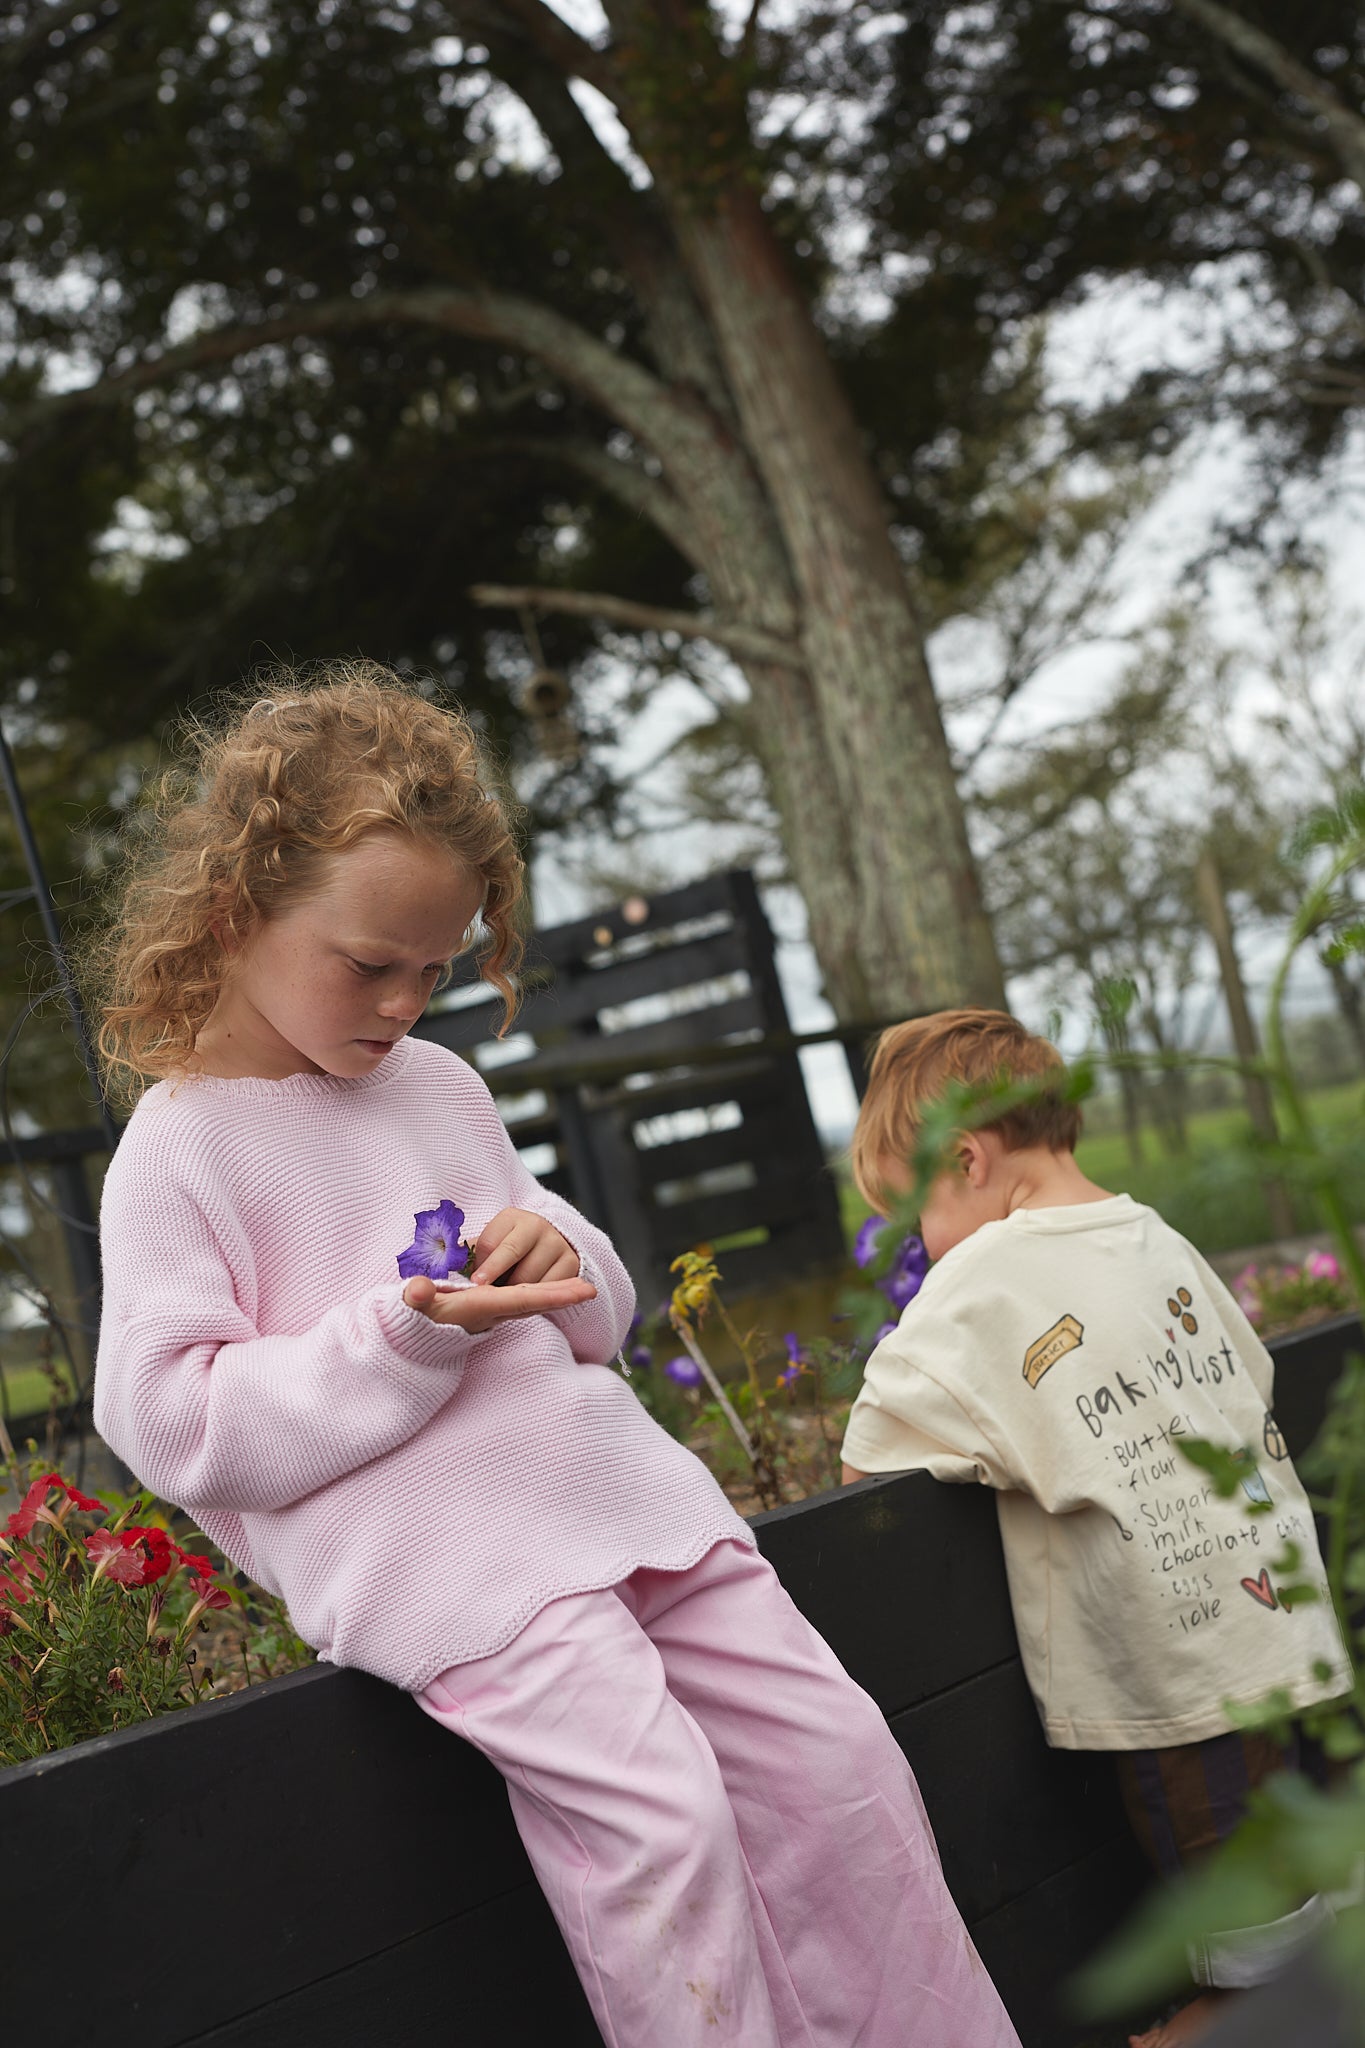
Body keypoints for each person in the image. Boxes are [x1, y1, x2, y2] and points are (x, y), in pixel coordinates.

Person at [89, 665, 1019, 2048]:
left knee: (839, 1768)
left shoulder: (437, 1086)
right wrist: (396, 1338)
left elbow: (591, 1315)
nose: (405, 1001)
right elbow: (168, 1424)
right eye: (369, 961)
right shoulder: (180, 1147)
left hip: (617, 1495)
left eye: (437, 968)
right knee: (664, 1826)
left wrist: (555, 1256)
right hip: (458, 1569)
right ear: (236, 913)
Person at [840, 1009, 1354, 2048]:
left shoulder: (979, 1280)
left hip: (1183, 1674)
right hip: (1295, 1627)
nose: (922, 1249)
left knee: (1240, 1912)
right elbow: (1248, 1378)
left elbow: (867, 1462)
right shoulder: (1152, 1231)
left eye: (913, 1216)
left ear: (971, 1159)